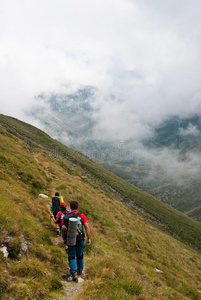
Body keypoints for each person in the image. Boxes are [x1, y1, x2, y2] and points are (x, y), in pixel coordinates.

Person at [63, 200, 91, 282]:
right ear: (77, 207)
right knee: (80, 255)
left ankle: (74, 274)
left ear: (70, 207)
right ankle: (80, 271)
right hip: (80, 239)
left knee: (71, 256)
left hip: (70, 239)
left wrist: (64, 239)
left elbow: (63, 229)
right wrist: (89, 238)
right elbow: (87, 227)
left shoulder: (66, 217)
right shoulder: (81, 216)